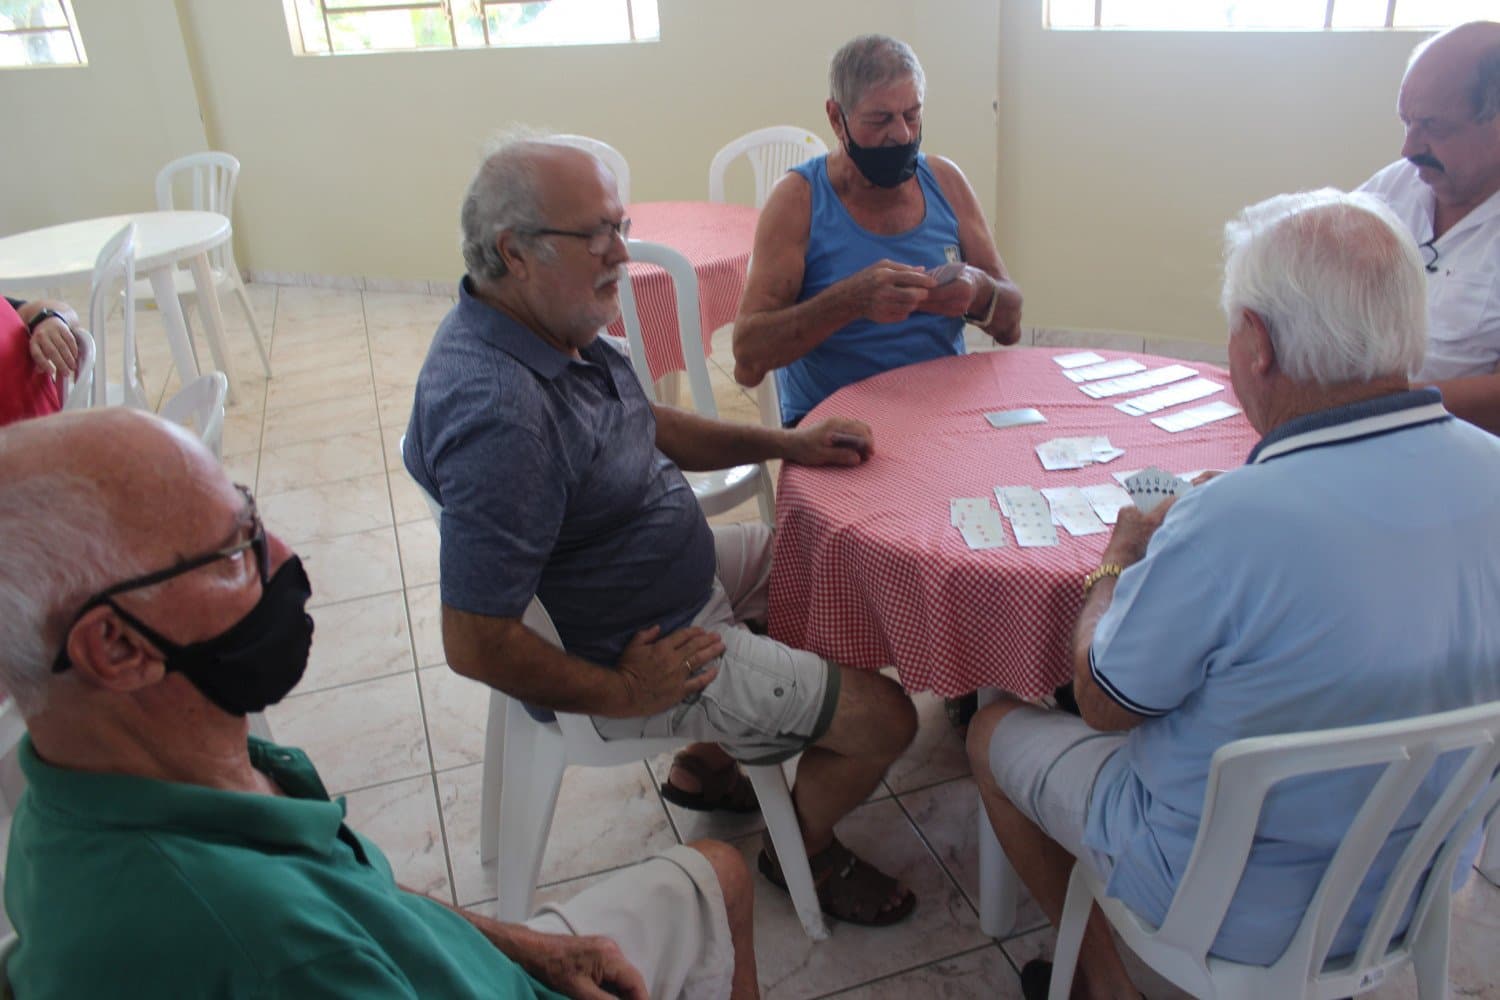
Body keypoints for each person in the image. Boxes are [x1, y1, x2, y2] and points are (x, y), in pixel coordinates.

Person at [0, 407, 761, 1000]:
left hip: (482, 966)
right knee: (721, 871)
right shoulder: (276, 950)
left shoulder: (77, 799)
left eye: (253, 512)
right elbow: (305, 931)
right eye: (235, 549)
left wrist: (531, 945)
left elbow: (351, 893)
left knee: (715, 871)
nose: (285, 556)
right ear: (118, 649)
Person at [966, 189, 1500, 999]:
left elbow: (1105, 704)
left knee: (990, 725)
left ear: (1254, 343)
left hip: (1220, 903)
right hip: (1419, 873)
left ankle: (1108, 983)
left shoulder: (1225, 523)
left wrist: (1118, 560)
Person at [405, 135, 921, 926]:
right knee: (890, 719)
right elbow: (472, 640)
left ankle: (709, 765)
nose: (622, 252)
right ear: (514, 252)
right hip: (654, 648)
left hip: (674, 576)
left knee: (852, 564)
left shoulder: (546, 328)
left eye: (621, 223)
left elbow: (648, 424)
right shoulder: (499, 415)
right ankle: (806, 851)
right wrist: (622, 691)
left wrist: (788, 443)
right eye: (596, 235)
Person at [731, 33, 1024, 426]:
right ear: (837, 118)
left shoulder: (945, 182)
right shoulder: (798, 201)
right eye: (880, 119)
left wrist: (978, 292)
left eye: (912, 115)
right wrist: (851, 301)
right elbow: (748, 359)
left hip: (945, 417)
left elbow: (1011, 326)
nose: (902, 135)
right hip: (838, 430)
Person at [1359, 20, 1500, 434]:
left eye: (1435, 128)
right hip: (1353, 431)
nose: (1410, 149)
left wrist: (1381, 404)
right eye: (1407, 123)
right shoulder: (1397, 184)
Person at [0, 295, 83, 425]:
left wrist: (51, 318)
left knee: (120, 422)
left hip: (48, 427)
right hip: (22, 438)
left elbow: (64, 311)